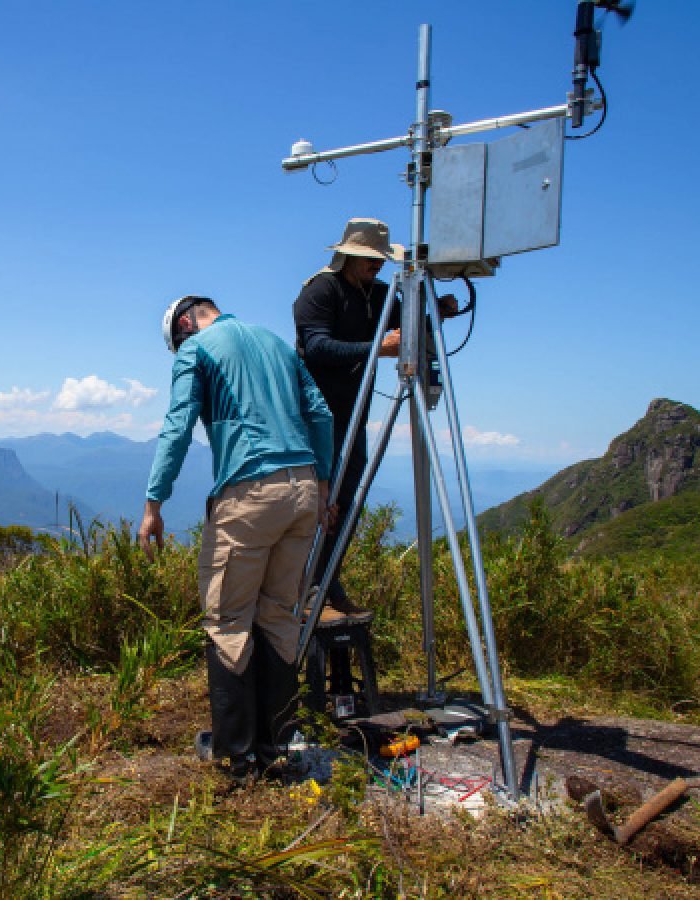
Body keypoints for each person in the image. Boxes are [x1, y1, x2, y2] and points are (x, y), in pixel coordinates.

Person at [138, 295, 333, 783]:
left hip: (250, 493)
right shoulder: (276, 344)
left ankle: (236, 758)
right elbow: (321, 414)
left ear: (186, 323)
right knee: (279, 616)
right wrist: (323, 482)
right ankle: (275, 748)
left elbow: (178, 425)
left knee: (227, 619)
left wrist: (153, 502)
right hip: (304, 488)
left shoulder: (198, 349)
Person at [293, 218, 456, 621]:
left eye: (379, 260)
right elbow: (316, 347)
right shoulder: (320, 291)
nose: (376, 267)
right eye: (369, 260)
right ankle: (305, 586)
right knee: (318, 499)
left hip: (353, 410)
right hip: (316, 411)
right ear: (347, 256)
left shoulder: (378, 293)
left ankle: (327, 581)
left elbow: (407, 321)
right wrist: (377, 348)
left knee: (347, 495)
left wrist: (440, 310)